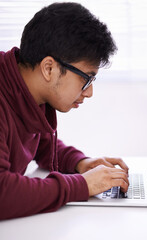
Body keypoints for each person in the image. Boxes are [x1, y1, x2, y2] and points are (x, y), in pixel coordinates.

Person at [0, 2, 129, 220]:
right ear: (49, 68)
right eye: (86, 78)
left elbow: (41, 144)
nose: (89, 93)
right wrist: (83, 185)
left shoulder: (29, 91)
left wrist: (80, 163)